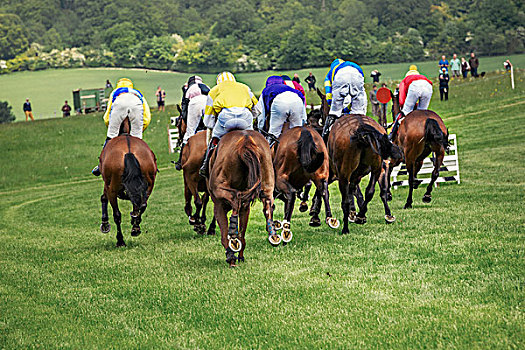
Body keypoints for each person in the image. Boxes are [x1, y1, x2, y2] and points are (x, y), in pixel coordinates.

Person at [199, 72, 258, 177]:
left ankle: (205, 164)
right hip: (245, 116)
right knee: (254, 139)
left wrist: (212, 125)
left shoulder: (214, 90)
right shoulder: (244, 87)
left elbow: (208, 117)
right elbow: (258, 108)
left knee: (214, 138)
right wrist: (252, 117)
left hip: (226, 117)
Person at [92, 78, 152, 176]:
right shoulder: (137, 93)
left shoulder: (115, 92)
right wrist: (139, 130)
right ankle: (144, 163)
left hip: (119, 103)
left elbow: (108, 116)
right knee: (138, 141)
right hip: (136, 104)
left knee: (110, 137)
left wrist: (112, 129)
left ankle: (100, 165)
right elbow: (146, 116)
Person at [254, 76, 307, 147]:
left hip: (280, 102)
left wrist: (261, 130)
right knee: (296, 132)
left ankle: (269, 151)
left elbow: (261, 114)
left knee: (274, 133)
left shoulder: (266, 90)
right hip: (297, 100)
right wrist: (304, 120)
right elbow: (302, 99)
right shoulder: (290, 88)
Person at [322, 58, 366, 140]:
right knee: (359, 112)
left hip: (341, 76)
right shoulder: (350, 66)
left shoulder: (329, 75)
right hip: (358, 72)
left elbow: (328, 98)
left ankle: (325, 134)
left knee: (335, 111)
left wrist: (337, 110)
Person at [174, 76, 210, 170]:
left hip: (195, 103)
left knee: (189, 133)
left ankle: (180, 161)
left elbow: (185, 110)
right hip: (208, 101)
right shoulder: (207, 87)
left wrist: (188, 122)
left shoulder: (188, 90)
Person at [389, 65, 433, 140]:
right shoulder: (422, 77)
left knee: (405, 112)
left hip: (415, 86)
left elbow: (402, 101)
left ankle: (391, 134)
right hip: (428, 86)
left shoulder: (405, 80)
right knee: (422, 112)